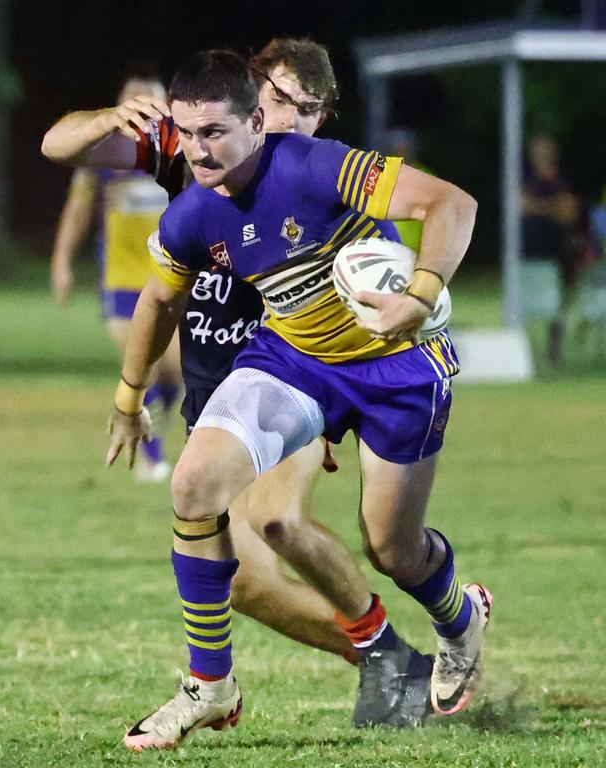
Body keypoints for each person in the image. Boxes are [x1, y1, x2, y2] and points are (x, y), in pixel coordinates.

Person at [102, 50, 490, 750]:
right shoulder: (194, 212)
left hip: (397, 365)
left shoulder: (316, 165)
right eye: (186, 135)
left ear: (257, 120)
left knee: (393, 549)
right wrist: (130, 398)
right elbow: (159, 297)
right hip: (297, 361)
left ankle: (460, 618)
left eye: (214, 132)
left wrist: (420, 295)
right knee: (192, 484)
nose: (197, 151)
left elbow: (451, 204)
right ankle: (209, 685)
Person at [50, 70, 181, 482]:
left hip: (173, 276)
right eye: (134, 100)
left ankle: (153, 429)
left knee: (176, 371)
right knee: (144, 362)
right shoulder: (104, 155)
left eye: (151, 99)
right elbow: (78, 211)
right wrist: (62, 261)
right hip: (122, 280)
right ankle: (153, 457)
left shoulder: (182, 151)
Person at [522, 135, 583, 366]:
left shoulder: (561, 182)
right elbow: (519, 205)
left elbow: (568, 212)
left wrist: (536, 206)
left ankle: (553, 351)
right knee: (526, 304)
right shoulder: (526, 180)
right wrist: (551, 207)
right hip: (528, 254)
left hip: (556, 255)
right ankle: (526, 351)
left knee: (555, 307)